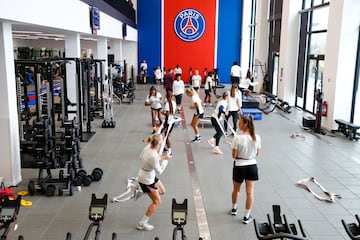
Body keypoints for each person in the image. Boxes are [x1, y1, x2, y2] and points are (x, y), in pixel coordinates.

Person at [230, 116, 261, 224]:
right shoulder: (257, 137)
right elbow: (257, 153)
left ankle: (234, 209)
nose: (238, 125)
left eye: (240, 124)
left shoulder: (237, 138)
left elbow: (233, 156)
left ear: (246, 124)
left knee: (236, 190)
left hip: (239, 166)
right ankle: (246, 217)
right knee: (250, 192)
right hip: (252, 166)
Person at [137, 134, 170, 231]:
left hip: (148, 174)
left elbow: (141, 157)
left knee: (162, 191)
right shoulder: (154, 157)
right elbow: (160, 171)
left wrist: (161, 157)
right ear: (159, 143)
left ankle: (145, 190)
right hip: (147, 180)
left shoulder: (147, 147)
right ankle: (142, 223)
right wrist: (166, 161)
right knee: (157, 202)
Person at [162, 90, 177, 157]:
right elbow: (173, 112)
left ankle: (169, 152)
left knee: (167, 136)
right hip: (172, 120)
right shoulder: (174, 102)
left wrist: (162, 112)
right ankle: (166, 148)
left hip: (168, 121)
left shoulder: (167, 104)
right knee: (167, 135)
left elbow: (167, 114)